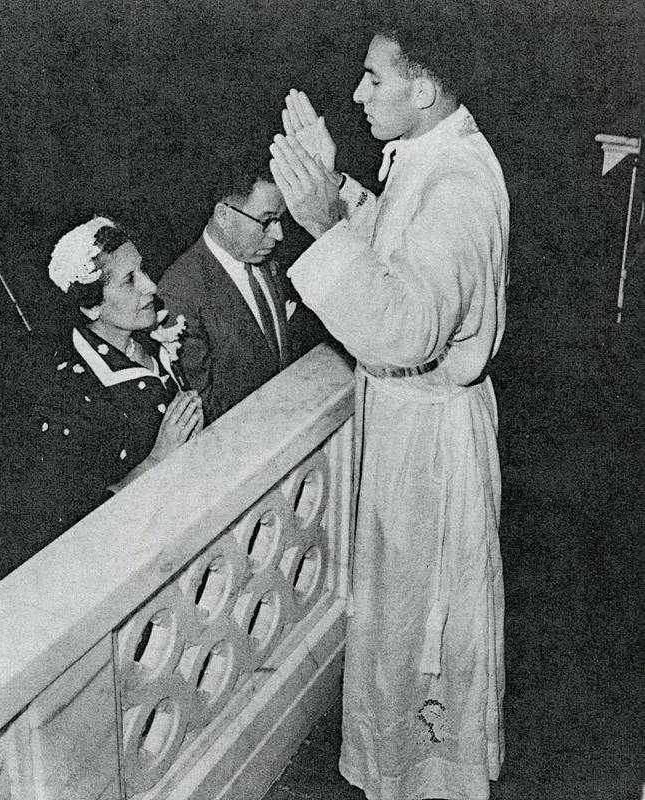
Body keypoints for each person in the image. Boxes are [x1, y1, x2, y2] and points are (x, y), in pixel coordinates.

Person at [269, 11, 509, 800]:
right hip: (409, 434)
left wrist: (317, 227)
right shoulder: (431, 155)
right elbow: (400, 250)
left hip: (429, 449)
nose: (356, 92)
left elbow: (409, 328)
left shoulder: (460, 184)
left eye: (374, 78)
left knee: (425, 642)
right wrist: (337, 186)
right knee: (401, 634)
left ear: (425, 87)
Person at [0, 216, 203, 579]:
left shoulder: (147, 339)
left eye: (143, 270)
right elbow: (79, 527)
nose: (151, 286)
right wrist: (157, 459)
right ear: (92, 307)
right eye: (130, 281)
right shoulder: (69, 396)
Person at [158, 160, 308, 425]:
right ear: (224, 216)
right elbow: (205, 408)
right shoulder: (179, 291)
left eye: (280, 219)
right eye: (267, 221)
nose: (279, 234)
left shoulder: (265, 257)